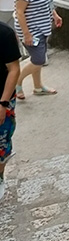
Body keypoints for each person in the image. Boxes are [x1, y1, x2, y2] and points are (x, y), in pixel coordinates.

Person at [14, 0, 62, 99]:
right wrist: (26, 34)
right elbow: (19, 12)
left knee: (37, 59)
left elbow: (48, 2)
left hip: (43, 28)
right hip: (31, 31)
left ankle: (38, 87)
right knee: (38, 60)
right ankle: (17, 83)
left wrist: (55, 15)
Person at [0, 20, 21, 201]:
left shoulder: (4, 33)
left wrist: (3, 104)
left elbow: (14, 70)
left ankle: (0, 177)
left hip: (2, 98)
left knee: (1, 142)